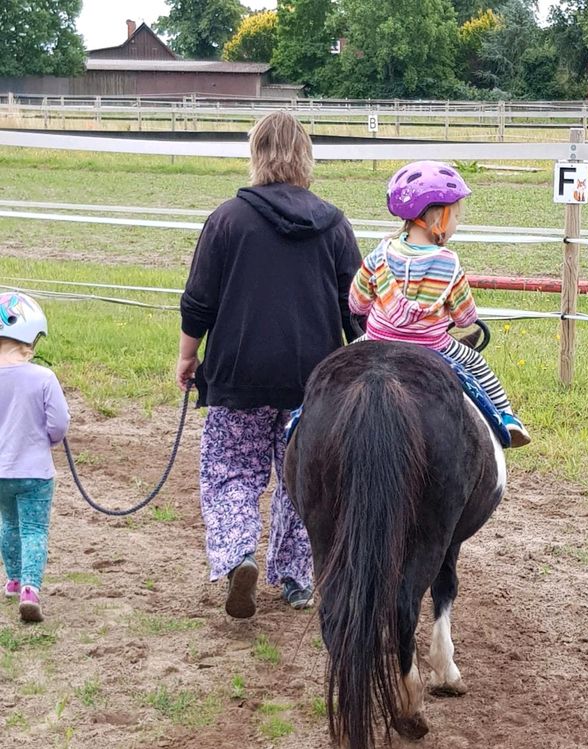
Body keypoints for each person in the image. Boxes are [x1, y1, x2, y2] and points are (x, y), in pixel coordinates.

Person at [178, 111, 362, 619]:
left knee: (231, 469)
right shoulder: (335, 224)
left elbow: (199, 301)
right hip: (314, 382)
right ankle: (297, 577)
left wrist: (188, 357)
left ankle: (238, 555)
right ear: (306, 157)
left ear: (256, 155)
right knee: (301, 476)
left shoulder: (227, 220)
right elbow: (358, 310)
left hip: (239, 374)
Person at [348, 160, 531, 447]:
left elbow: (356, 303)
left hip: (377, 340)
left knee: (335, 365)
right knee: (477, 365)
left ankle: (300, 413)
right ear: (439, 220)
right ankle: (506, 417)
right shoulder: (448, 264)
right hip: (433, 346)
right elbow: (466, 318)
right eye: (456, 216)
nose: (458, 223)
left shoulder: (379, 255)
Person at [0, 292, 70, 623]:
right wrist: (51, 439)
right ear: (30, 337)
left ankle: (12, 580)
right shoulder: (44, 378)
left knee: (8, 523)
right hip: (35, 472)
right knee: (33, 528)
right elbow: (59, 424)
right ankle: (30, 588)